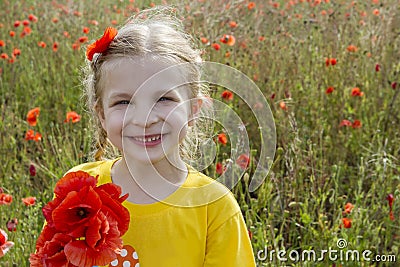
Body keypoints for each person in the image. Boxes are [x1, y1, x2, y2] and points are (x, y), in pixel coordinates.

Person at [67, 6, 256, 266]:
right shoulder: (79, 190)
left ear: (193, 109)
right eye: (123, 102)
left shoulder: (214, 207)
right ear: (101, 114)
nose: (145, 119)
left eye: (164, 99)